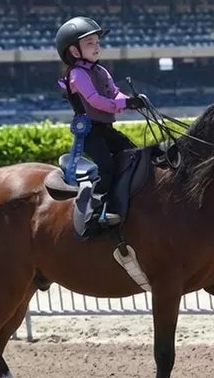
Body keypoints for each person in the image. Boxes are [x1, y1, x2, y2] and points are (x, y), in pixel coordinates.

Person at [54, 16, 146, 224]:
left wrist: (132, 101)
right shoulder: (77, 75)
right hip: (89, 132)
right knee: (105, 166)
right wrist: (124, 104)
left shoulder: (101, 71)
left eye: (97, 43)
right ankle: (94, 210)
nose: (97, 47)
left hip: (105, 128)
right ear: (74, 51)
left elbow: (114, 94)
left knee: (135, 155)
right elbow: (95, 101)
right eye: (90, 44)